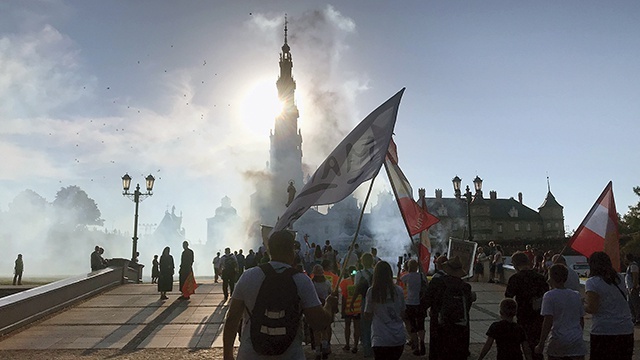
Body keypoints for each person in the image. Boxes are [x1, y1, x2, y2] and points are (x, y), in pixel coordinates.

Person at [222, 230, 337, 360]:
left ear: (269, 250)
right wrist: (329, 304)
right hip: (291, 355)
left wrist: (227, 355)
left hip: (250, 354)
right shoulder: (302, 280)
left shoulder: (248, 276)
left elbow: (232, 319)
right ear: (291, 251)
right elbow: (319, 323)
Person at [584, 251, 634, 360]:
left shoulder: (592, 282)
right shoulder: (619, 278)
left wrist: (581, 304)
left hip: (604, 330)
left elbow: (592, 308)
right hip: (625, 328)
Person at [424, 255, 476, 360]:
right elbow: (467, 307)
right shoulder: (466, 287)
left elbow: (425, 302)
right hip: (460, 329)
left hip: (440, 327)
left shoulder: (438, 283)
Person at [535, 264, 586, 359]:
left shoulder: (549, 296)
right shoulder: (576, 295)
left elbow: (548, 321)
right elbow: (581, 320)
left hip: (558, 339)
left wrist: (541, 343)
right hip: (576, 340)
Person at [505, 251, 549, 360]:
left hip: (523, 315)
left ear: (515, 264)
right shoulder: (539, 277)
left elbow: (508, 298)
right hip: (539, 315)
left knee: (525, 344)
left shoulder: (515, 278)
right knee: (537, 344)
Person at [363, 261, 406, 360]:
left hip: (380, 337)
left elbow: (367, 314)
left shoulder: (372, 291)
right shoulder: (398, 290)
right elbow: (403, 312)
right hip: (397, 337)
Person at [400, 259, 426, 356]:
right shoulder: (421, 275)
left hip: (410, 302)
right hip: (420, 303)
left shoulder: (407, 276)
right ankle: (422, 342)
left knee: (412, 325)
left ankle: (415, 345)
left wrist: (399, 269)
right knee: (421, 325)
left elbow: (399, 281)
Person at [351, 252, 375, 358]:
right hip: (376, 301)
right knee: (375, 326)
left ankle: (367, 350)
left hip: (365, 300)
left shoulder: (359, 274)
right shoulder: (376, 272)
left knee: (365, 327)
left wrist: (352, 302)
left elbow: (357, 289)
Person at [311, 264, 333, 360]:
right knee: (324, 330)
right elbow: (330, 294)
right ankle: (324, 347)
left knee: (316, 331)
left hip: (315, 308)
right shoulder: (327, 282)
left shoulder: (312, 284)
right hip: (325, 307)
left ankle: (317, 351)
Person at [339, 266, 360, 354]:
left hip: (348, 307)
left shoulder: (344, 282)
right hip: (358, 307)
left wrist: (342, 310)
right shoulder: (359, 281)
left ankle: (347, 344)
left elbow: (344, 297)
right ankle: (355, 345)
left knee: (347, 326)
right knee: (357, 327)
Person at [624, 253, 640, 324]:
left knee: (635, 303)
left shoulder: (633, 266)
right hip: (629, 288)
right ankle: (633, 317)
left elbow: (635, 277)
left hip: (633, 288)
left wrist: (634, 286)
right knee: (630, 304)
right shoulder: (629, 266)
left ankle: (638, 318)